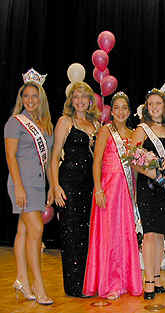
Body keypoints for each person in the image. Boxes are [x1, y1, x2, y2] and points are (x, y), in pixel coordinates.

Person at [83, 91, 143, 300]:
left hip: (125, 192)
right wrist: (98, 189)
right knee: (109, 236)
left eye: (124, 108)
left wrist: (135, 192)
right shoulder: (105, 131)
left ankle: (126, 281)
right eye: (116, 107)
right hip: (107, 191)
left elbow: (134, 167)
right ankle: (109, 283)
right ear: (111, 110)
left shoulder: (133, 133)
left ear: (129, 111)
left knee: (124, 235)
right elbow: (97, 160)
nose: (120, 111)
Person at [4, 68, 54, 305]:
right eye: (26, 96)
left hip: (38, 185)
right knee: (36, 231)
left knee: (23, 231)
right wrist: (19, 188)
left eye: (35, 96)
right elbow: (11, 157)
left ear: (41, 98)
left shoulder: (45, 124)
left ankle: (22, 279)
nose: (30, 100)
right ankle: (38, 284)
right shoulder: (15, 123)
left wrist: (52, 185)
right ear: (21, 99)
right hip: (21, 184)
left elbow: (50, 158)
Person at [50, 81, 100, 297]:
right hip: (69, 184)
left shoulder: (96, 124)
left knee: (88, 235)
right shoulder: (65, 121)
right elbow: (54, 158)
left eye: (84, 96)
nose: (80, 101)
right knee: (71, 235)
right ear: (71, 100)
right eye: (76, 96)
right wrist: (55, 186)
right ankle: (74, 287)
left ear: (90, 101)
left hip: (90, 186)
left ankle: (88, 282)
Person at [132, 89, 165, 300]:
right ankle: (148, 280)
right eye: (151, 104)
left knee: (160, 233)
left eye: (158, 103)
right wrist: (151, 172)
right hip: (148, 186)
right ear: (146, 108)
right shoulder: (141, 129)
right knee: (149, 233)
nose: (155, 107)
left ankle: (157, 277)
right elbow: (132, 158)